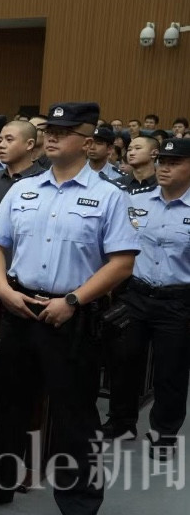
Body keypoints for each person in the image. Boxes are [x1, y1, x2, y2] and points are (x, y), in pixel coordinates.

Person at [0, 102, 139, 512]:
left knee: (75, 414)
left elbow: (122, 262)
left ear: (87, 142)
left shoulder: (108, 196)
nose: (52, 136)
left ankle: (79, 502)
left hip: (72, 316)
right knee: (10, 403)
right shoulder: (24, 189)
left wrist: (73, 300)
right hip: (20, 307)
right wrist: (2, 289)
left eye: (64, 131)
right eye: (50, 129)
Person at [111, 137, 190, 460]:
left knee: (171, 372)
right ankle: (121, 423)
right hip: (137, 294)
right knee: (124, 363)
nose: (165, 169)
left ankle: (164, 434)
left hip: (178, 300)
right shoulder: (135, 200)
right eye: (162, 162)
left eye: (175, 163)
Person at [0, 120, 45, 267]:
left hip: (30, 266)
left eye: (9, 140)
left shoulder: (45, 181)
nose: (1, 145)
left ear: (29, 144)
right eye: (0, 140)